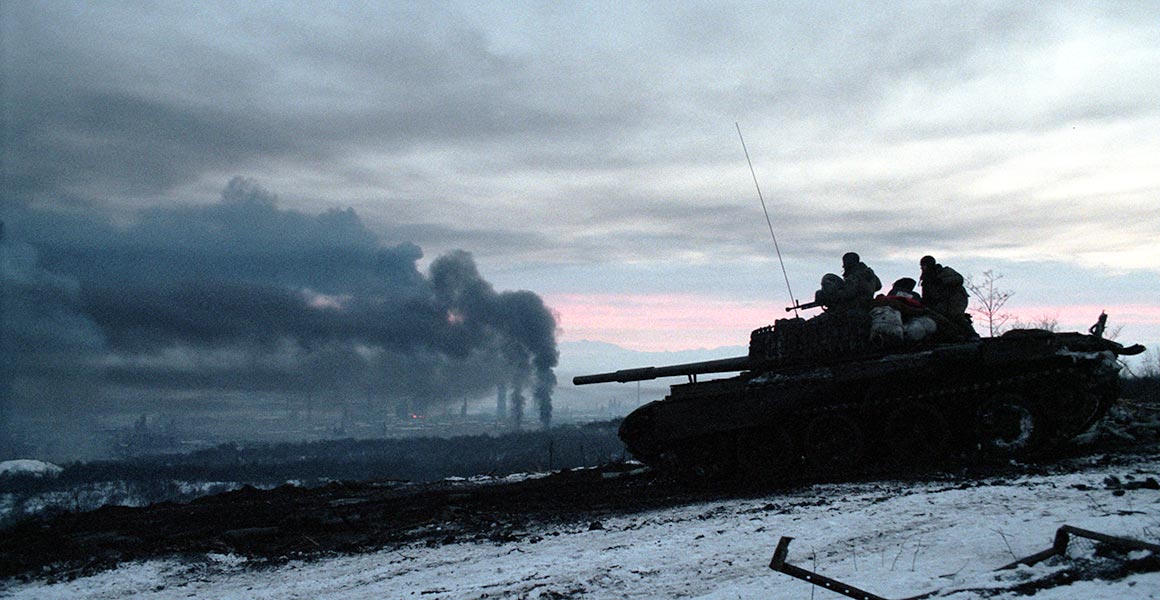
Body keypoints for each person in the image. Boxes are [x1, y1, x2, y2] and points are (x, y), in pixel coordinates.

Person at [813, 252, 881, 313]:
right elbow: (878, 285)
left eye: (845, 263)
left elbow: (848, 293)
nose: (843, 266)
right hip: (867, 304)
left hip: (855, 308)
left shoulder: (854, 275)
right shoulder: (868, 271)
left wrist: (831, 297)